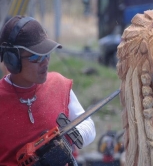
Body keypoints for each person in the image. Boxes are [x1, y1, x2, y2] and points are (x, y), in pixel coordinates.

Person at [0, 15, 96, 165]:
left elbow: (88, 125)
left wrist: (64, 141)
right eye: (35, 57)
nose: (45, 61)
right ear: (12, 59)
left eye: (47, 54)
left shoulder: (58, 84)